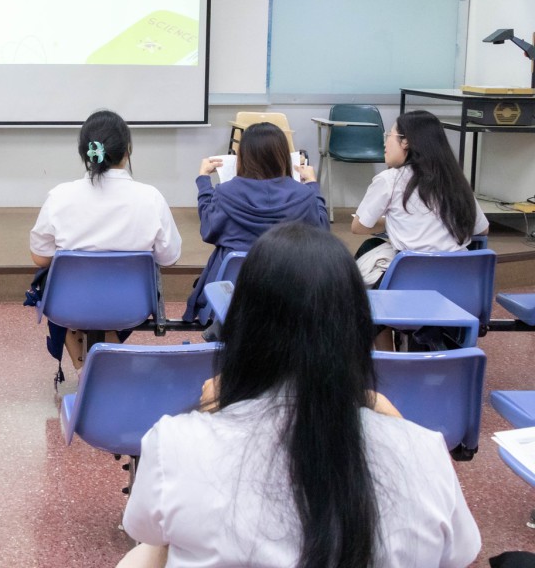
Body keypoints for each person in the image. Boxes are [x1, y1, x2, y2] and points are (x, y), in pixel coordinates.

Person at [119, 222, 481, 568]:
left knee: (153, 551)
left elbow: (145, 530)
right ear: (356, 327)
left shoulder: (174, 444)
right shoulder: (425, 451)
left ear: (243, 325)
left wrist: (212, 414)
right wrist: (397, 423)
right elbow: (460, 553)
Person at [29, 109, 181, 369]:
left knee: (48, 279)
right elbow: (170, 257)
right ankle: (105, 368)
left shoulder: (60, 196)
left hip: (70, 305)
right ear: (128, 150)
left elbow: (40, 257)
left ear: (84, 153)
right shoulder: (150, 198)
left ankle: (87, 371)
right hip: (131, 306)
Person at [184, 122, 328, 320]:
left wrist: (203, 180)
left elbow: (208, 230)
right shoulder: (304, 195)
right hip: (291, 299)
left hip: (231, 299)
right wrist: (312, 185)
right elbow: (322, 234)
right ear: (283, 156)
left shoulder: (225, 193)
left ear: (242, 157)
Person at [351, 109, 488, 284]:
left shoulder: (389, 180)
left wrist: (391, 222)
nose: (385, 144)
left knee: (368, 250)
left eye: (389, 135)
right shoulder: (456, 180)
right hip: (460, 282)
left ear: (405, 141)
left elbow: (359, 226)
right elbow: (482, 230)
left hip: (409, 283)